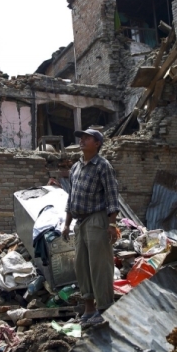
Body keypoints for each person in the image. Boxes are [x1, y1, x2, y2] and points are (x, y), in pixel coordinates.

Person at [61, 128, 119, 327]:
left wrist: (112, 224)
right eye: (81, 138)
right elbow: (71, 198)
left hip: (97, 219)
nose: (82, 140)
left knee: (99, 265)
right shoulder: (76, 167)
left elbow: (112, 197)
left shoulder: (103, 166)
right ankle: (89, 308)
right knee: (81, 265)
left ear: (97, 143)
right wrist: (67, 224)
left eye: (87, 138)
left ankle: (105, 308)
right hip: (79, 222)